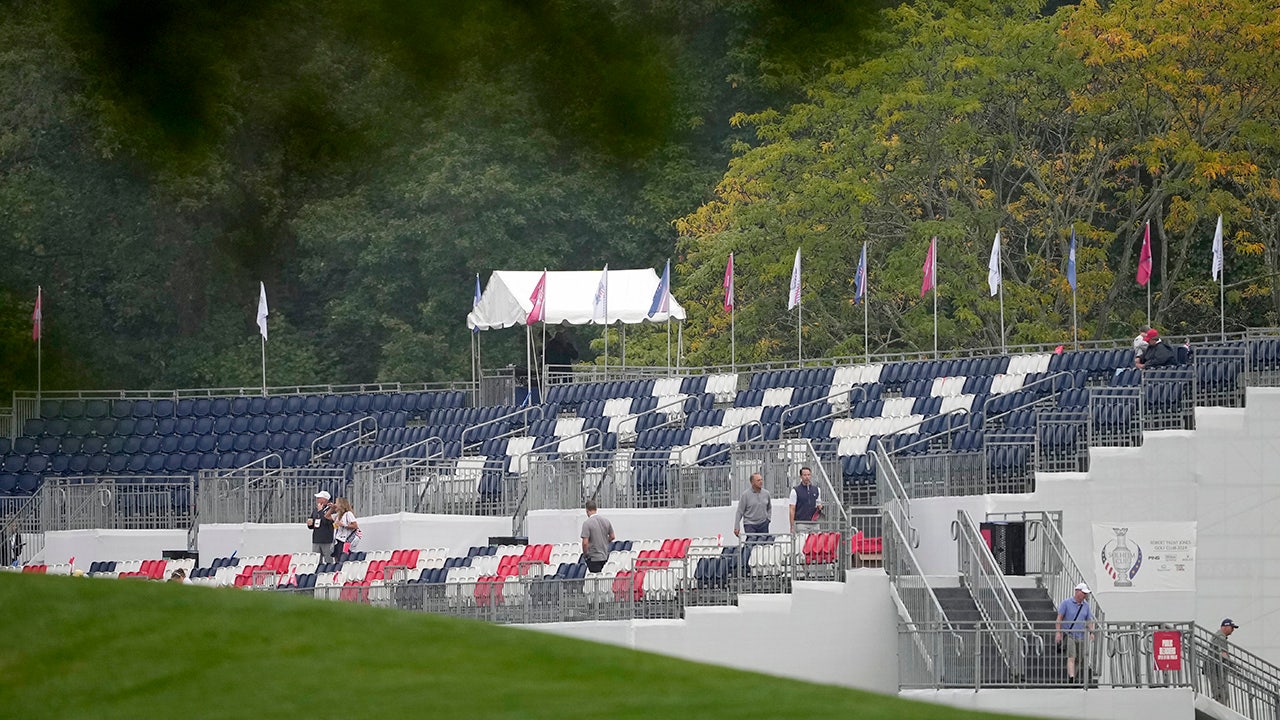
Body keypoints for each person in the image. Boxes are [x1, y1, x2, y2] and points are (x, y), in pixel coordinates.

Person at [1055, 582, 1095, 683]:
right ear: (1077, 592)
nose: (1085, 595)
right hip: (1070, 634)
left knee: (1079, 658)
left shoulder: (1086, 605)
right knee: (1071, 656)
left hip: (1081, 635)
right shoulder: (1066, 603)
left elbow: (1088, 620)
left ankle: (1073, 677)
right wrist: (1058, 633)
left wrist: (1092, 632)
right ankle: (1072, 677)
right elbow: (1059, 618)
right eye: (1083, 593)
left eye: (1085, 594)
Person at [1207, 618, 1238, 704]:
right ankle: (1220, 712)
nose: (1233, 630)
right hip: (1216, 669)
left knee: (1221, 692)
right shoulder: (1220, 638)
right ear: (1226, 626)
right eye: (1232, 627)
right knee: (1221, 693)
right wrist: (1232, 666)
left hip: (1215, 668)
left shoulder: (1218, 636)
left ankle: (1220, 708)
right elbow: (1224, 654)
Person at [734, 472, 772, 543]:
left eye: (761, 480)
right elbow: (740, 511)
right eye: (758, 480)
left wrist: (768, 519)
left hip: (763, 524)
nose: (761, 482)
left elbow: (769, 507)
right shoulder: (745, 495)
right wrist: (737, 526)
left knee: (763, 545)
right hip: (750, 524)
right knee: (751, 543)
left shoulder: (766, 494)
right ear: (752, 482)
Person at [580, 501, 615, 573]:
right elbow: (612, 536)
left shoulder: (587, 523)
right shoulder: (606, 521)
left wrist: (585, 554)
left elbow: (585, 543)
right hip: (604, 555)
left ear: (587, 511)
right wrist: (605, 541)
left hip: (593, 556)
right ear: (596, 509)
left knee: (595, 578)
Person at [788, 466, 823, 533]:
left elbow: (818, 503)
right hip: (801, 523)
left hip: (814, 523)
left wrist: (820, 507)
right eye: (804, 475)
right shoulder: (795, 491)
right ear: (801, 477)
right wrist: (792, 526)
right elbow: (792, 509)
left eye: (808, 475)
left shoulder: (817, 490)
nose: (807, 477)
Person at [308, 490, 336, 559]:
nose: (317, 500)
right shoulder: (316, 509)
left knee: (328, 558)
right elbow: (313, 522)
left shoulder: (331, 509)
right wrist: (310, 524)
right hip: (316, 538)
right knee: (316, 559)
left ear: (325, 499)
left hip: (326, 539)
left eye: (319, 498)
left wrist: (320, 511)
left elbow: (327, 521)